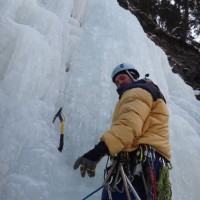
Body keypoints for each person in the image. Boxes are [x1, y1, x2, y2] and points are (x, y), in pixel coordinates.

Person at [74, 63, 172, 200]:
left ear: (133, 76)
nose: (119, 83)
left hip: (138, 162)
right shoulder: (147, 92)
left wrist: (99, 151)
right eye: (116, 81)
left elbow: (129, 124)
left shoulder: (137, 91)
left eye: (122, 77)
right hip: (150, 162)